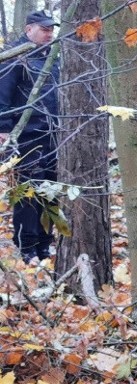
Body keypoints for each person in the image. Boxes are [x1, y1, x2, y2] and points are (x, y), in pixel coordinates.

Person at [0, 10, 60, 263]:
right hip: (25, 137)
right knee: (28, 192)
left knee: (51, 191)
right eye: (44, 29)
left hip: (54, 136)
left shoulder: (52, 58)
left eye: (51, 29)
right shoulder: (15, 58)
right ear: (29, 30)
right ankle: (27, 248)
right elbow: (2, 97)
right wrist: (3, 131)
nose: (49, 33)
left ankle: (46, 245)